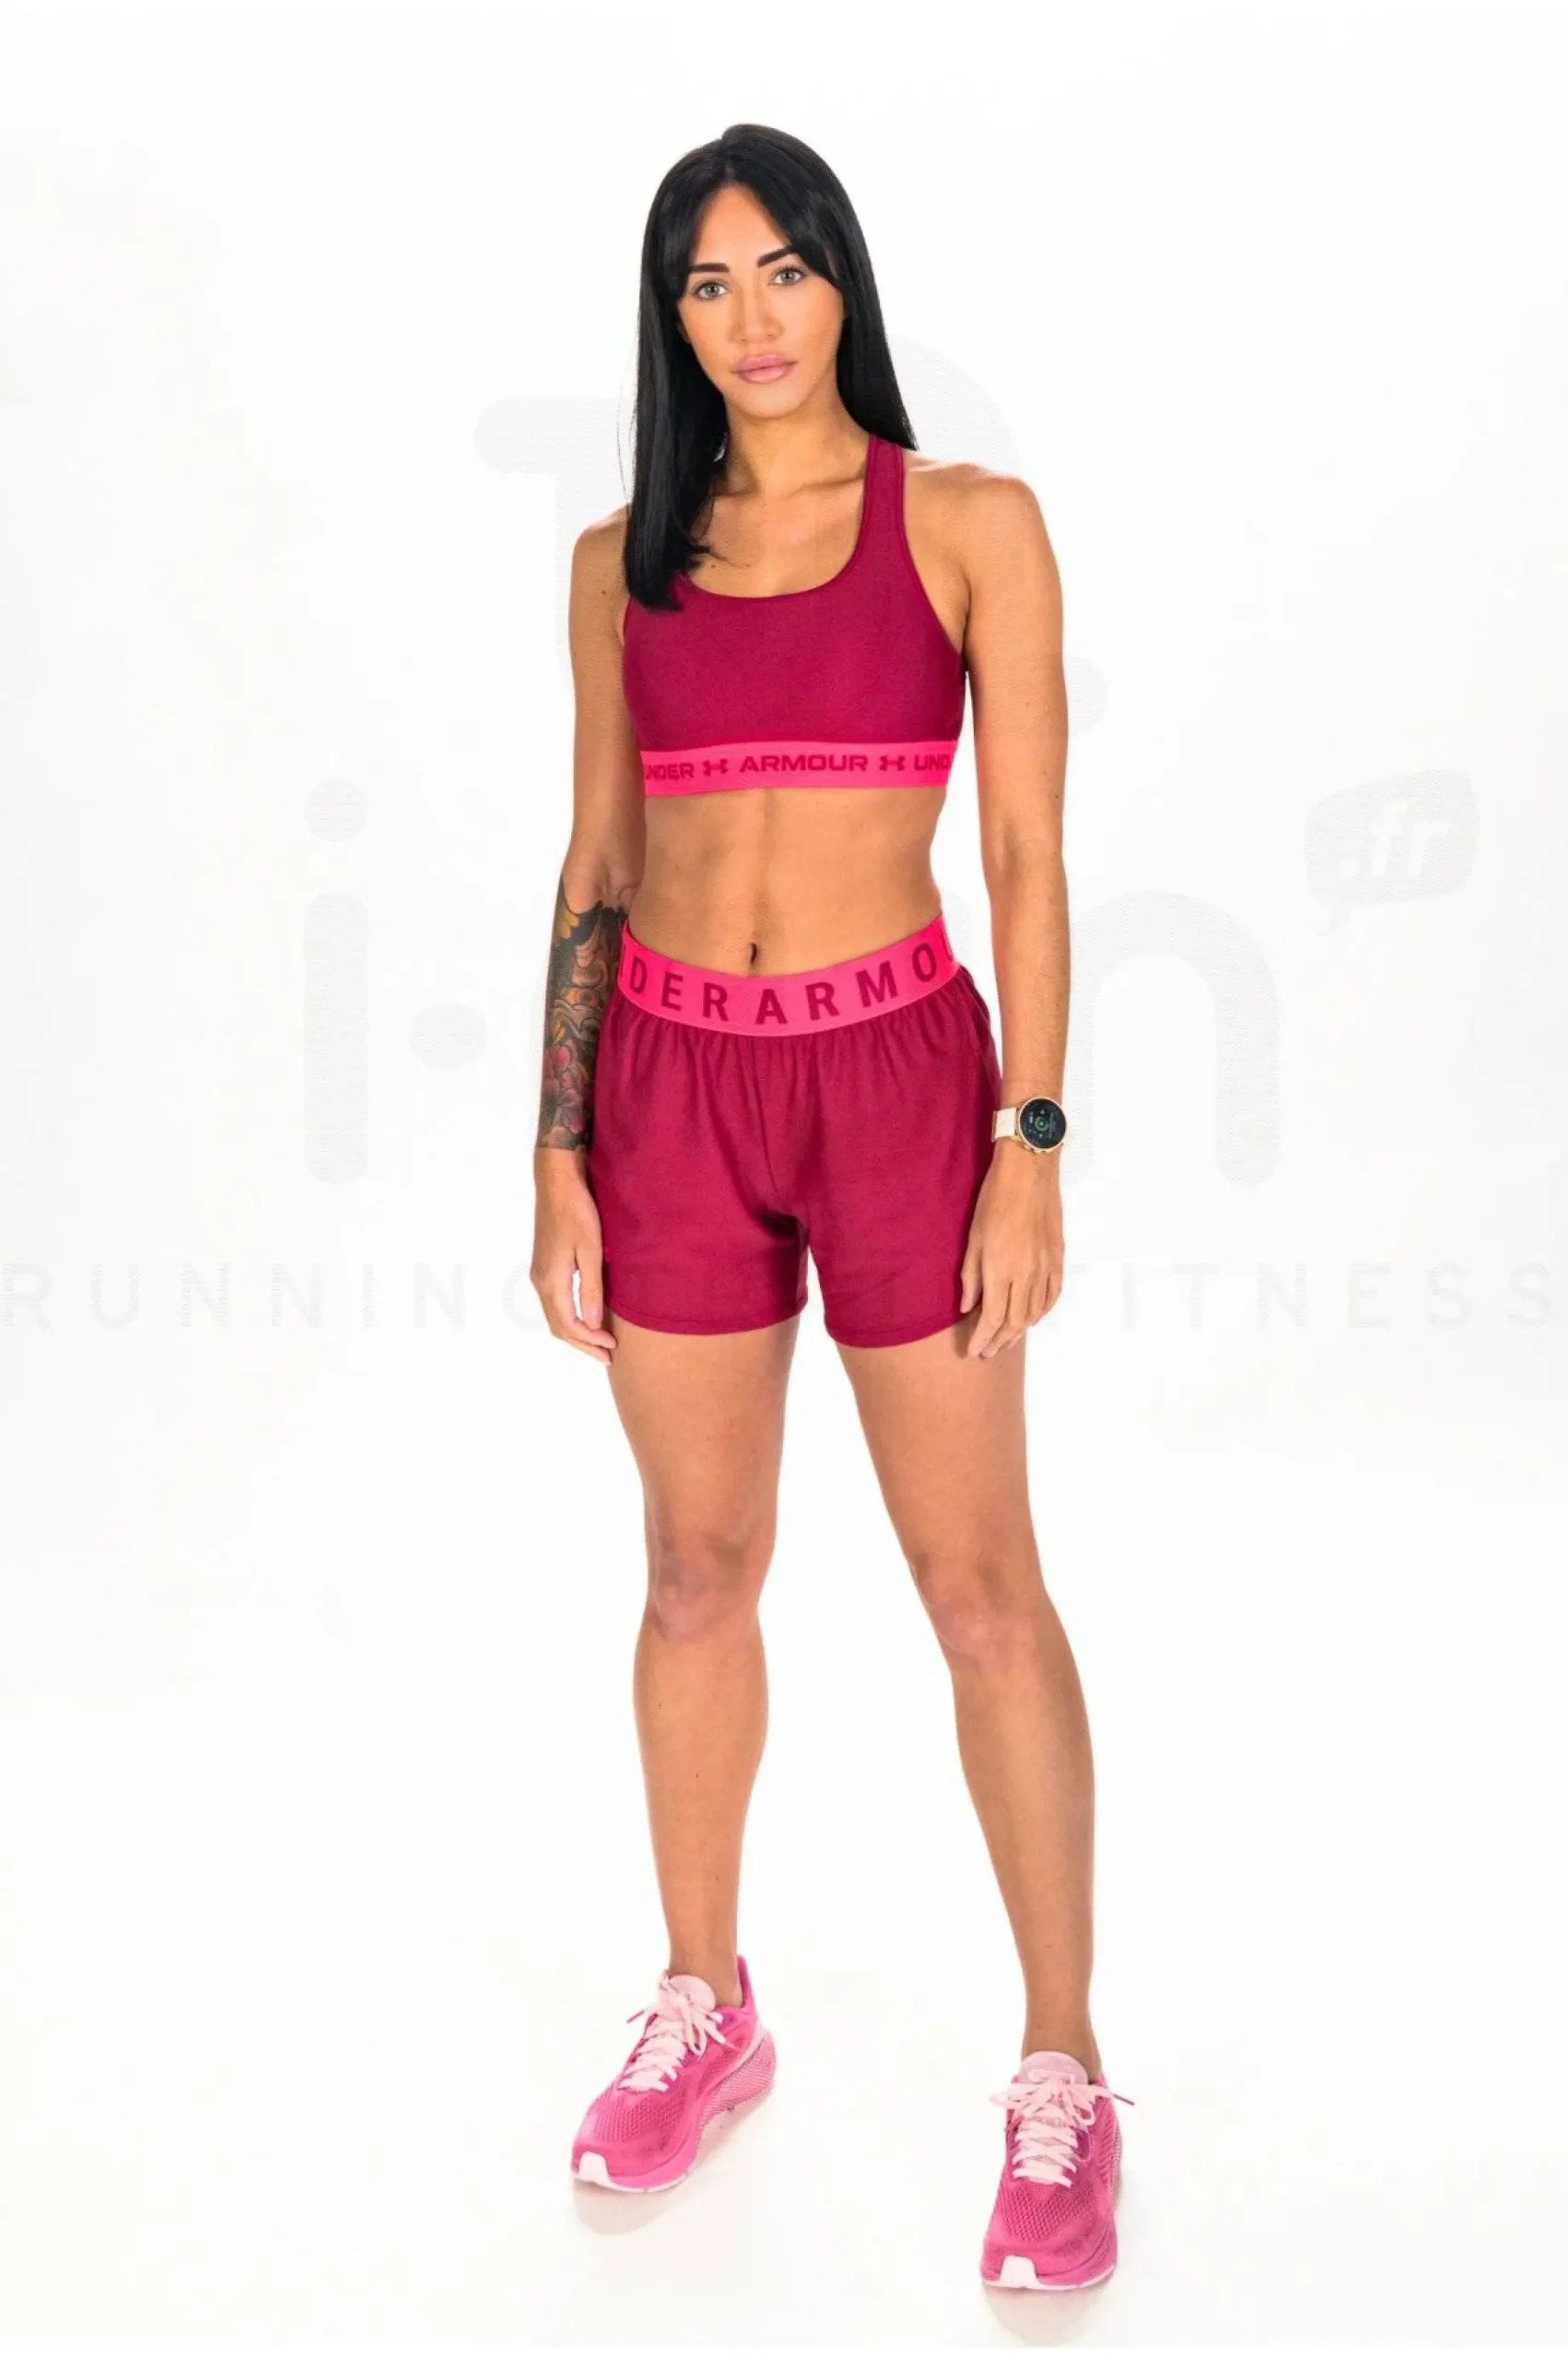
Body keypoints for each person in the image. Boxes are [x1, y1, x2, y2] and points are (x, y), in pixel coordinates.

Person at [530, 123, 1129, 2292]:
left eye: (782, 268)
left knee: (978, 1588)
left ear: (841, 279)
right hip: (668, 1088)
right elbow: (602, 861)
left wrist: (1025, 1137)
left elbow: (1029, 856)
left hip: (896, 1085)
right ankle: (707, 1999)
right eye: (706, 284)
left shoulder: (967, 524)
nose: (751, 317)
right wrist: (555, 1147)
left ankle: (1060, 2066)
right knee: (693, 1566)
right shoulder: (622, 560)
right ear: (669, 317)